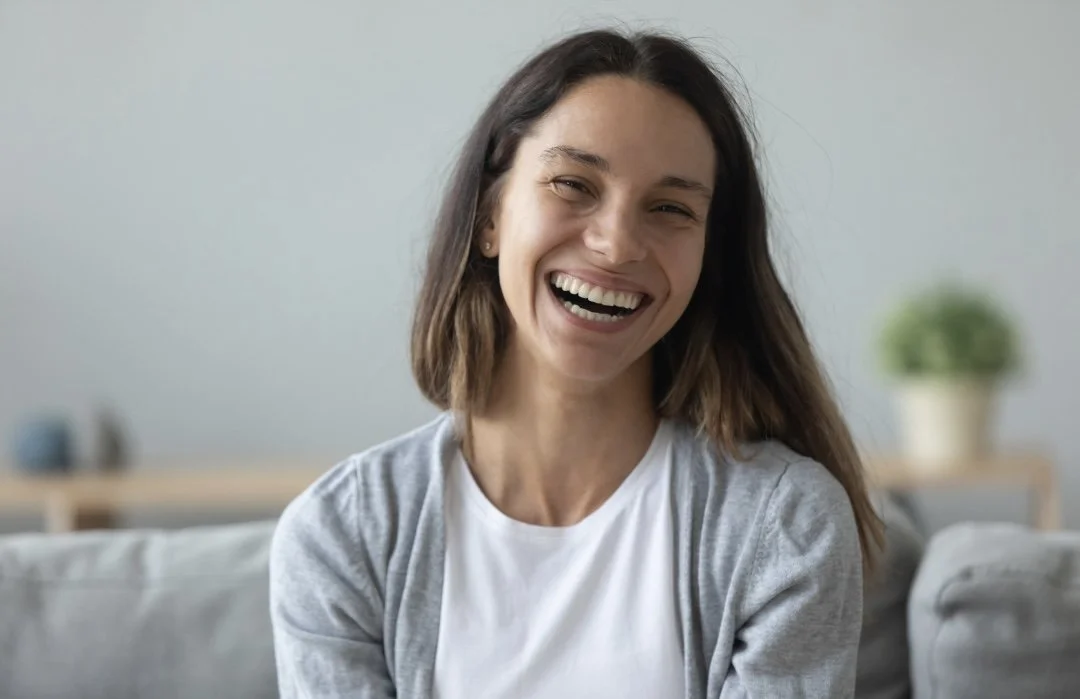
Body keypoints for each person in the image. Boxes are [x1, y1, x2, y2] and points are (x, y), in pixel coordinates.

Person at [270, 27, 882, 699]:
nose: (617, 244)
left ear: (709, 256)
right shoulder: (341, 535)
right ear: (490, 214)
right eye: (573, 184)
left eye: (671, 208)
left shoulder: (783, 527)